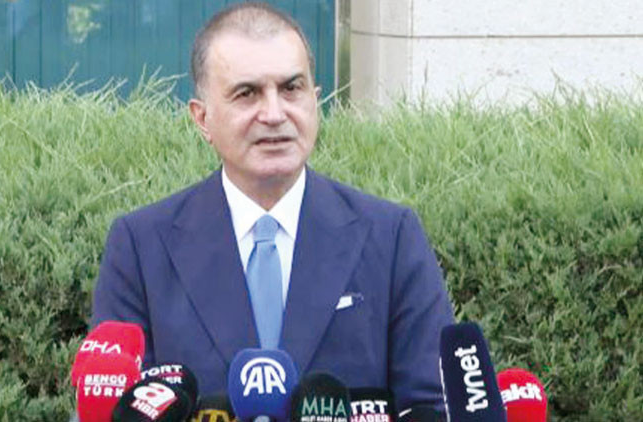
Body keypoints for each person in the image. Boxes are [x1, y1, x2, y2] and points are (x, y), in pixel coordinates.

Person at [91, 2, 453, 414]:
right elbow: (118, 409)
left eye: (291, 88)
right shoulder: (140, 248)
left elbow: (433, 406)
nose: (275, 113)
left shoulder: (392, 237)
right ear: (202, 119)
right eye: (247, 94)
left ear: (315, 100)